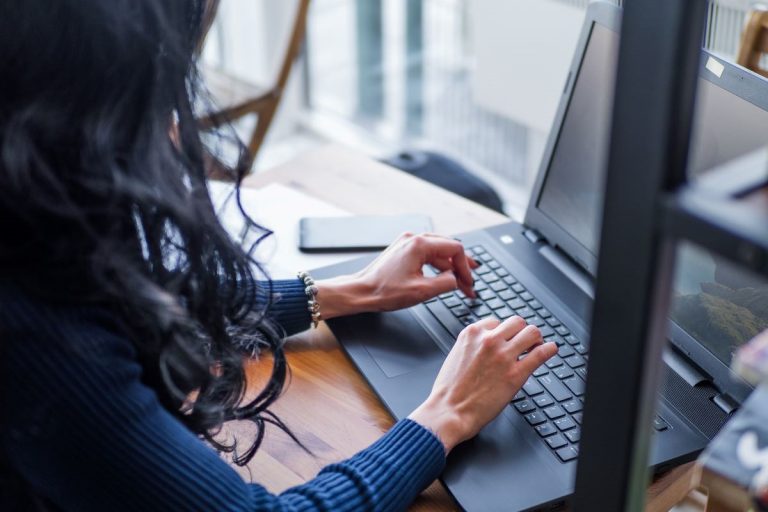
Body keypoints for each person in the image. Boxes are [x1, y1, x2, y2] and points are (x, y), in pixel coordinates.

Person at [0, 1, 557, 511]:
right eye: (155, 96)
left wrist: (344, 292)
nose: (176, 130)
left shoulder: (28, 220)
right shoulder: (40, 338)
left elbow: (134, 302)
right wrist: (445, 416)